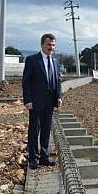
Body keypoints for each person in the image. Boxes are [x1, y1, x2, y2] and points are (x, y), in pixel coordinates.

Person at [22, 33, 63, 170]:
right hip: (35, 102)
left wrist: (59, 97)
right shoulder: (32, 60)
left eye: (53, 45)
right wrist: (27, 99)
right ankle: (33, 158)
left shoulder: (55, 62)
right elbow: (26, 81)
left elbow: (58, 81)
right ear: (42, 45)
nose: (51, 47)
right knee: (34, 130)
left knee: (46, 130)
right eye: (48, 44)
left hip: (50, 102)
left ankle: (44, 157)